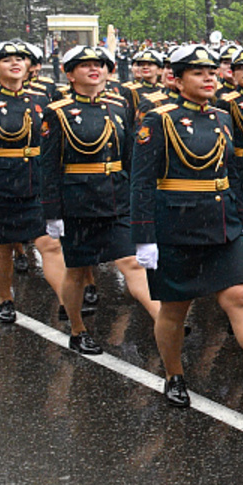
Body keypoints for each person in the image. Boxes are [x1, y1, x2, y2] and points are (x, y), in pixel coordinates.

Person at [131, 44, 243, 408]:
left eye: (212, 72)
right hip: (177, 224)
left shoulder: (222, 117)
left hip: (222, 221)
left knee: (240, 296)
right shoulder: (158, 119)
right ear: (177, 79)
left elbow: (232, 173)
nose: (208, 78)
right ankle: (173, 373)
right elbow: (140, 181)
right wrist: (143, 237)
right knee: (175, 307)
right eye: (198, 73)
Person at [41, 46, 159, 354]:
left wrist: (139, 198)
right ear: (69, 74)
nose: (95, 70)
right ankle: (78, 329)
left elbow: (130, 157)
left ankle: (163, 320)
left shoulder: (119, 106)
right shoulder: (57, 112)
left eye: (100, 65)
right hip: (78, 201)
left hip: (116, 197)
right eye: (86, 66)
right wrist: (52, 213)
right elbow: (49, 165)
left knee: (132, 262)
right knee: (78, 271)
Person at [0, 40, 68, 323]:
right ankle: (5, 298)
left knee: (50, 244)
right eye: (6, 60)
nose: (15, 63)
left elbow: (53, 144)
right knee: (3, 248)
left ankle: (67, 302)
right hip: (0, 184)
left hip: (36, 183)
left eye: (20, 59)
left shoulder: (42, 99)